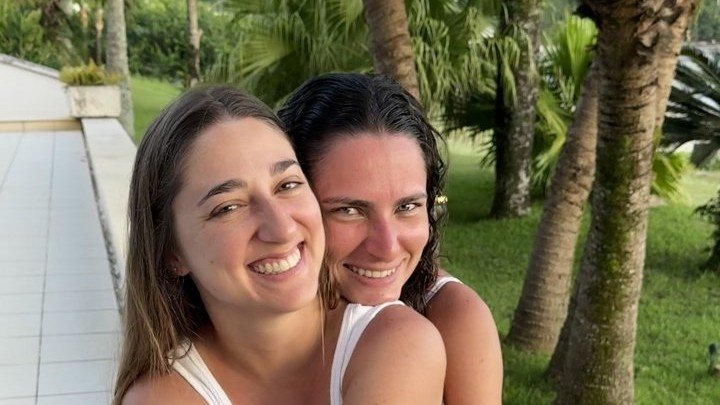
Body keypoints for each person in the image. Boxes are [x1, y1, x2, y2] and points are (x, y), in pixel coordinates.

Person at [113, 85, 445, 404]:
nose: (282, 229)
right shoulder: (159, 396)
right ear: (172, 252)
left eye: (287, 185)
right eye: (228, 207)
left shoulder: (394, 342)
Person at [280, 73, 503, 404]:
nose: (386, 248)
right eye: (349, 210)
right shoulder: (240, 320)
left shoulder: (455, 318)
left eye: (407, 206)